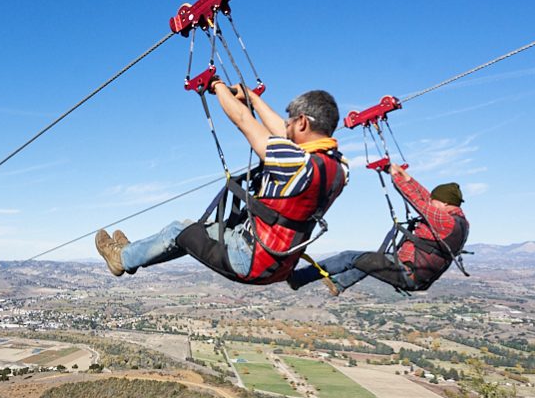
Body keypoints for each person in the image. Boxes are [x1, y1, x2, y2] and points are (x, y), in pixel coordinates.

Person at [95, 79, 347, 285]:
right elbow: (283, 134)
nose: (285, 126)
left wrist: (216, 85)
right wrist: (253, 98)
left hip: (251, 257)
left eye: (290, 122)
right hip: (280, 262)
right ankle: (133, 254)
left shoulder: (295, 162)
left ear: (302, 122)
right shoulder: (339, 169)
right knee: (191, 232)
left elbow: (243, 120)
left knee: (177, 230)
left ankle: (122, 258)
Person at [286, 165, 469, 296]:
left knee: (348, 257)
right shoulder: (460, 222)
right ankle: (339, 284)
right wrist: (407, 178)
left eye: (435, 201)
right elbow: (426, 198)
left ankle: (298, 278)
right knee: (369, 260)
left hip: (408, 273)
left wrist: (396, 177)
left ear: (445, 203)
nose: (431, 203)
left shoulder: (444, 221)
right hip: (414, 273)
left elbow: (418, 201)